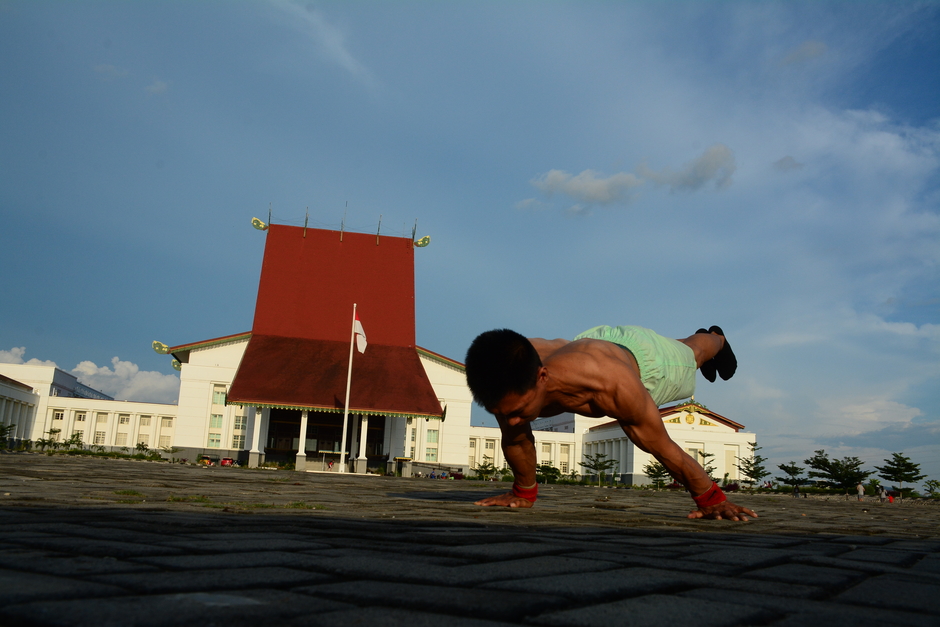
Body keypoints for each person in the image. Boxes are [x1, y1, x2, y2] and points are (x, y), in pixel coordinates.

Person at [465, 325, 757, 521]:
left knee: (692, 353)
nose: (511, 419)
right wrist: (523, 493)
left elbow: (659, 443)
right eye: (500, 411)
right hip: (594, 341)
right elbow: (516, 439)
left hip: (649, 364)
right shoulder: (506, 374)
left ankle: (717, 338)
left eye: (518, 410)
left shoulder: (608, 383)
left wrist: (711, 498)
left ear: (542, 377)